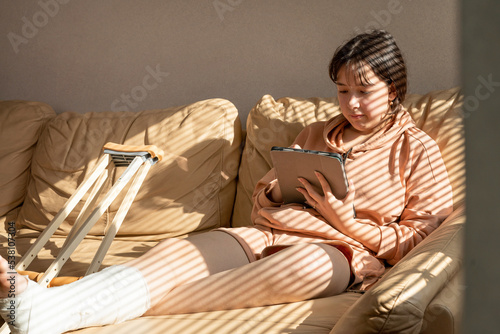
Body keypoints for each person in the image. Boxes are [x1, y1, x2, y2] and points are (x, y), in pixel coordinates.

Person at [0, 30, 453, 334]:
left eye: (364, 91)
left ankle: (65, 308)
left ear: (393, 89)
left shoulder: (417, 149)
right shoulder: (316, 134)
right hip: (270, 231)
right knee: (178, 251)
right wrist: (277, 187)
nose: (351, 103)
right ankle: (44, 308)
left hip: (339, 252)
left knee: (307, 267)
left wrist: (347, 222)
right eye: (342, 89)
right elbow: (261, 204)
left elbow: (419, 238)